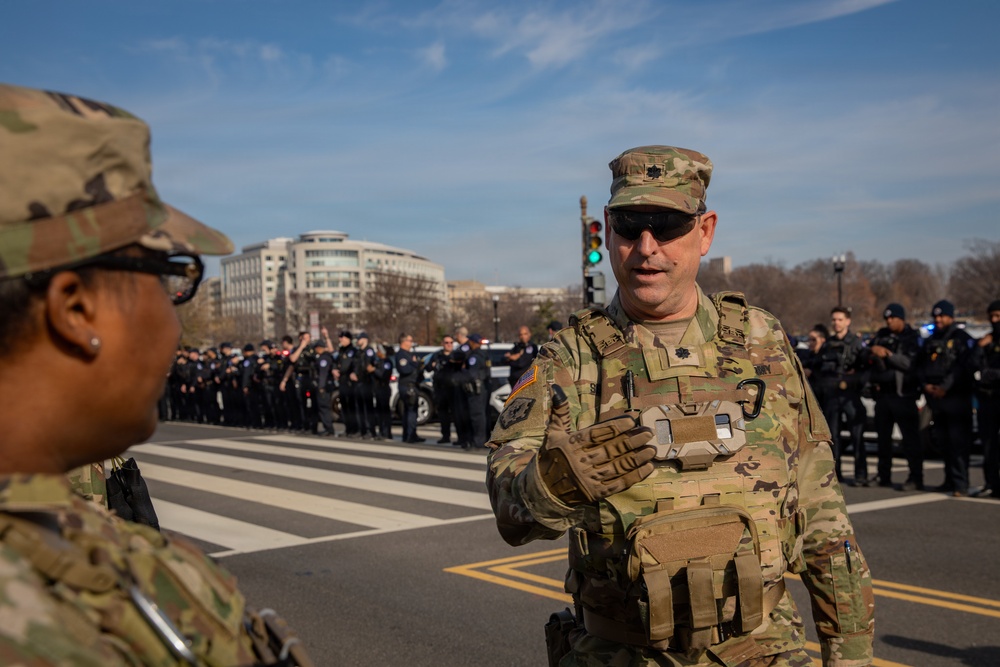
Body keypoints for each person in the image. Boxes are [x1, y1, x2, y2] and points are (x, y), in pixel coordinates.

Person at [486, 145, 873, 667]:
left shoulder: (763, 341)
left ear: (705, 231)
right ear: (609, 230)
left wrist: (849, 654)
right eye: (630, 227)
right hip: (623, 652)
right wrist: (550, 486)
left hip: (763, 649)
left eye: (667, 226)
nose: (647, 248)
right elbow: (508, 509)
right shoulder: (568, 358)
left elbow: (821, 508)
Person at [0, 83, 311, 665]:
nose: (173, 321)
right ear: (76, 310)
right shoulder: (70, 615)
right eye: (168, 277)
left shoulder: (61, 547)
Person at [915, 299, 976, 496]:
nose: (938, 319)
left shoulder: (961, 338)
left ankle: (960, 484)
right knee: (944, 442)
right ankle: (949, 480)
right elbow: (920, 365)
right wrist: (925, 385)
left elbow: (962, 368)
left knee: (959, 443)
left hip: (956, 398)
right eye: (936, 316)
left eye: (942, 316)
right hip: (936, 399)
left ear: (951, 316)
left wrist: (944, 387)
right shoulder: (931, 340)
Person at [864, 303, 923, 490]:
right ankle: (883, 475)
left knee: (910, 440)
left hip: (904, 395)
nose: (889, 321)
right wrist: (873, 351)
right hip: (883, 395)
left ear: (901, 318)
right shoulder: (881, 335)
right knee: (883, 440)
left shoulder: (911, 337)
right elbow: (866, 353)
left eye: (892, 318)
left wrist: (888, 354)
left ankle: (915, 477)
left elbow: (909, 363)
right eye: (887, 318)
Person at [815, 306, 868, 484]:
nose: (836, 323)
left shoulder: (856, 343)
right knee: (833, 436)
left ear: (848, 321)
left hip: (850, 394)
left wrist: (855, 378)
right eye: (834, 320)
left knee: (857, 435)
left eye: (840, 319)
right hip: (832, 394)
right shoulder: (828, 344)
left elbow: (864, 368)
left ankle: (861, 474)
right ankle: (835, 474)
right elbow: (819, 367)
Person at [974, 299, 1000, 498]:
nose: (994, 320)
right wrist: (979, 347)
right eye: (992, 316)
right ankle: (991, 483)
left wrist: (988, 374)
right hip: (988, 399)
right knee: (989, 445)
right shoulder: (986, 342)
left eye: (998, 316)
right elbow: (972, 366)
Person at [395, 332, 425, 443]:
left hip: (414, 385)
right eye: (410, 341)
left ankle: (412, 433)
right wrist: (415, 364)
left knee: (412, 411)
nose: (411, 343)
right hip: (407, 386)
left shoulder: (409, 354)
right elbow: (404, 370)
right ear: (404, 342)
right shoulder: (401, 355)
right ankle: (409, 435)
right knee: (410, 411)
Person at [428, 335, 458, 444]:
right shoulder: (437, 355)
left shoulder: (456, 355)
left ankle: (461, 438)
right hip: (440, 388)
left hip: (453, 388)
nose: (449, 344)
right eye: (446, 342)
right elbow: (428, 367)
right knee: (443, 414)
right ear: (442, 343)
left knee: (456, 414)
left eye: (451, 342)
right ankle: (445, 436)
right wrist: (432, 365)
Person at [314, 336, 337, 436]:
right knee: (324, 407)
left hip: (325, 386)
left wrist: (321, 387)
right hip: (326, 385)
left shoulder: (324, 358)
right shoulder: (327, 357)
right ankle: (327, 427)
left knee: (324, 407)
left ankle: (329, 428)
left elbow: (323, 374)